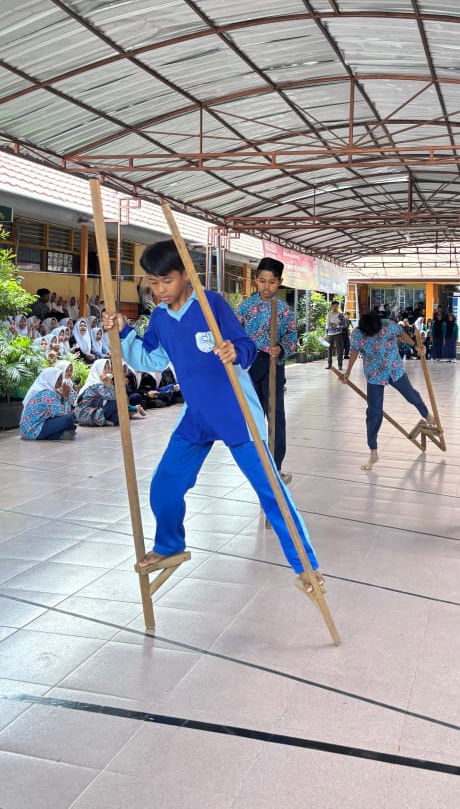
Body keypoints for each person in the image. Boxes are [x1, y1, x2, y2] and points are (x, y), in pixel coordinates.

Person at [102, 239, 324, 599]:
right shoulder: (160, 317)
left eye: (166, 281)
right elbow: (151, 359)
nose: (159, 290)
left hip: (236, 412)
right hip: (198, 414)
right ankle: (170, 545)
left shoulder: (211, 304)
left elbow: (246, 345)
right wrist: (124, 333)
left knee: (272, 492)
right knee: (164, 486)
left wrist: (236, 350)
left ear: (185, 275)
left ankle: (306, 565)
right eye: (153, 283)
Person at [342, 309, 437, 472]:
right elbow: (354, 351)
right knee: (374, 413)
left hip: (394, 368)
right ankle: (373, 452)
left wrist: (415, 346)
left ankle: (426, 414)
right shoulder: (357, 333)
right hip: (374, 373)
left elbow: (402, 334)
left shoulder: (388, 325)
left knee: (411, 395)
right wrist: (348, 372)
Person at [237, 257, 297, 486]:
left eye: (272, 282)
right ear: (255, 280)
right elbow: (234, 334)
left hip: (273, 366)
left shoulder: (284, 310)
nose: (266, 286)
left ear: (279, 282)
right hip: (249, 366)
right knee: (252, 415)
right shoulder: (245, 307)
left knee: (275, 415)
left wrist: (280, 348)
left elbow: (292, 338)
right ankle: (257, 464)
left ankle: (276, 464)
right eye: (262, 281)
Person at [20, 366, 76, 441]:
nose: (61, 381)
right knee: (68, 420)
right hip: (33, 431)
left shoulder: (42, 390)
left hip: (26, 430)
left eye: (61, 378)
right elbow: (65, 414)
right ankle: (60, 434)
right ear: (50, 379)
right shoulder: (47, 394)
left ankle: (59, 434)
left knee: (68, 423)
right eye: (58, 379)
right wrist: (65, 396)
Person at [75, 358, 119, 426]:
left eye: (109, 368)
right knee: (115, 402)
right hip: (86, 415)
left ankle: (103, 420)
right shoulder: (96, 385)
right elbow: (113, 397)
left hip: (93, 412)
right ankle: (100, 420)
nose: (108, 371)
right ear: (98, 369)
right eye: (105, 368)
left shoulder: (100, 383)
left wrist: (109, 382)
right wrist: (109, 382)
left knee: (117, 417)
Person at [326, 300, 344, 370]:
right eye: (333, 306)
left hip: (338, 334)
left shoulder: (340, 314)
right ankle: (329, 364)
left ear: (338, 307)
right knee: (329, 349)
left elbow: (343, 324)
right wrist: (326, 334)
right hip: (330, 334)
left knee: (339, 350)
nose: (335, 307)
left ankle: (340, 365)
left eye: (336, 306)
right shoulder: (329, 314)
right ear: (331, 306)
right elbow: (327, 324)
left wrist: (337, 326)